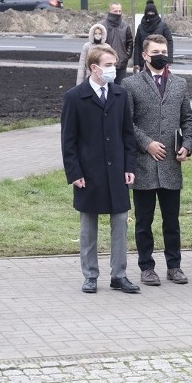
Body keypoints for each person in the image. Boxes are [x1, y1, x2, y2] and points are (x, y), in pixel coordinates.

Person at [61, 44, 139, 294]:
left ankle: (119, 275)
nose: (113, 70)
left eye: (114, 65)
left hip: (116, 171)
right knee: (88, 228)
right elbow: (68, 141)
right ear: (94, 68)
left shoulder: (119, 95)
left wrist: (129, 166)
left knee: (120, 224)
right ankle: (90, 275)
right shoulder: (75, 97)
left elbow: (127, 134)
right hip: (89, 173)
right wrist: (75, 173)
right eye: (108, 65)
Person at [122, 34, 192, 286]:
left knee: (171, 221)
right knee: (144, 221)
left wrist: (187, 145)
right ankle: (146, 267)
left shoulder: (179, 84)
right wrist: (147, 143)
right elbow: (126, 123)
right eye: (155, 51)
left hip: (171, 166)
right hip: (143, 165)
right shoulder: (130, 84)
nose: (161, 55)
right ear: (144, 55)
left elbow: (187, 119)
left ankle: (174, 266)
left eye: (164, 51)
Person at [133, 0, 173, 72]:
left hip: (160, 60)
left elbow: (169, 42)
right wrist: (136, 62)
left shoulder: (163, 26)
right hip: (144, 60)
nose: (150, 14)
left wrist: (169, 59)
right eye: (149, 12)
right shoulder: (141, 27)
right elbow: (137, 45)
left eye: (152, 12)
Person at [102, 2, 134, 84]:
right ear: (110, 11)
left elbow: (130, 42)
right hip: (105, 64)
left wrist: (126, 56)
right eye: (115, 11)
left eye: (120, 11)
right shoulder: (102, 26)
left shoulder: (125, 26)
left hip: (121, 64)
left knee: (120, 89)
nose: (118, 13)